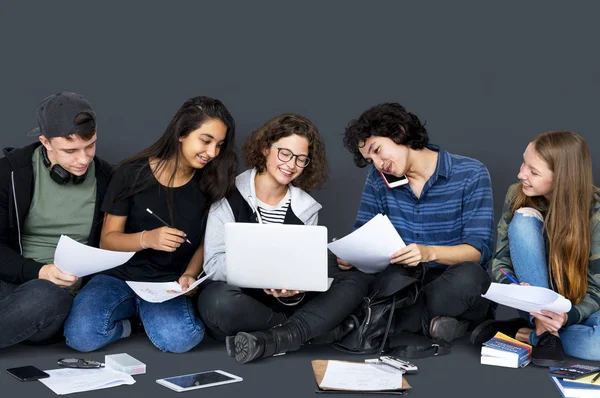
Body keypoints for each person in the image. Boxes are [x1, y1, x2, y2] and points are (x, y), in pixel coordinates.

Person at [63, 96, 237, 353]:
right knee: (81, 336)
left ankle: (147, 316)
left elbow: (204, 243)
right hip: (118, 277)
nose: (212, 153)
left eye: (219, 145)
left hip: (166, 284)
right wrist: (148, 239)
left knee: (181, 339)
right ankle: (130, 326)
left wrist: (189, 274)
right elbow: (107, 240)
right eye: (206, 140)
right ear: (181, 134)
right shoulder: (132, 173)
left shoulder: (211, 183)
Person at [197, 114, 372, 364]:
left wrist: (296, 289)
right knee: (216, 301)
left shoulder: (306, 208)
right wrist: (262, 272)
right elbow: (212, 264)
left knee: (355, 280)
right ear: (265, 148)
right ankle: (313, 331)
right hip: (243, 301)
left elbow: (303, 271)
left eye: (301, 159)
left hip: (286, 303)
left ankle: (278, 337)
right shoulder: (228, 194)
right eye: (285, 153)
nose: (291, 165)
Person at [341, 102, 494, 343]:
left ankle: (376, 322)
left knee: (470, 278)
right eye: (370, 160)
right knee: (339, 270)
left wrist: (428, 253)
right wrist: (351, 254)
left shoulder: (471, 173)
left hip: (451, 282)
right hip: (400, 283)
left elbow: (477, 252)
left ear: (399, 131)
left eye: (377, 150)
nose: (378, 164)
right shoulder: (378, 179)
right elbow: (363, 234)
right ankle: (435, 325)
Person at [471, 131, 600, 366]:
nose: (521, 174)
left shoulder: (596, 214)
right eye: (524, 162)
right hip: (535, 301)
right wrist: (518, 292)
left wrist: (565, 316)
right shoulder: (517, 195)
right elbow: (501, 262)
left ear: (562, 178)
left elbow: (597, 289)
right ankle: (541, 327)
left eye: (534, 171)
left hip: (581, 307)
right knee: (523, 219)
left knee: (597, 345)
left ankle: (528, 334)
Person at [0, 92, 112, 349]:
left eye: (90, 146)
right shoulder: (10, 174)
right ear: (45, 142)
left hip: (53, 297)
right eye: (70, 150)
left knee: (44, 295)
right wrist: (39, 270)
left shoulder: (108, 179)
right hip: (11, 280)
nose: (83, 159)